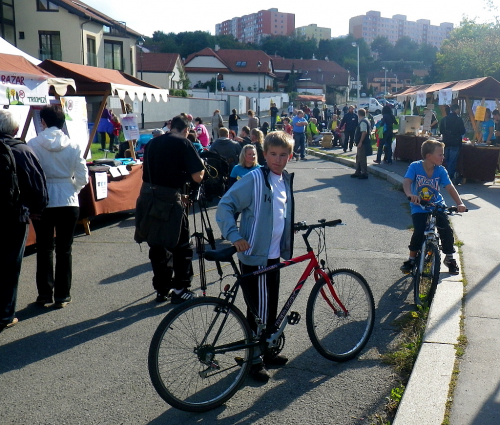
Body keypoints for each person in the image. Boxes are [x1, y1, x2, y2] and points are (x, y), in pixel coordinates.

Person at [216, 131, 295, 382]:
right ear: (264, 154)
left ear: (290, 156)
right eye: (273, 154)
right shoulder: (254, 179)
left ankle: (267, 349)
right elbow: (226, 204)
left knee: (268, 305)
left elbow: (278, 211)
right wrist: (234, 234)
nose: (278, 159)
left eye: (283, 155)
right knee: (259, 310)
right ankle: (254, 359)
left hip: (273, 256)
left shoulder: (284, 180)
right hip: (255, 255)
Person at [135, 115, 205, 304]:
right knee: (181, 245)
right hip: (169, 199)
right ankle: (180, 289)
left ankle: (161, 288)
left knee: (157, 245)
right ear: (186, 130)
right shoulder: (183, 143)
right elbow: (197, 176)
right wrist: (203, 169)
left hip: (148, 196)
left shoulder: (152, 143)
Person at [28, 105, 89, 308]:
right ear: (62, 123)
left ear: (43, 122)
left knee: (44, 248)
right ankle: (63, 295)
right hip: (67, 198)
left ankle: (45, 293)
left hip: (43, 199)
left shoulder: (33, 144)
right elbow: (82, 176)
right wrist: (73, 189)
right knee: (65, 249)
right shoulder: (73, 145)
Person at [0, 109, 48, 332]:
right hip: (14, 216)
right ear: (16, 129)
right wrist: (36, 209)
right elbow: (37, 185)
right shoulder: (22, 150)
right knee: (10, 265)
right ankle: (5, 314)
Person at [400, 139, 467, 275]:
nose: (443, 157)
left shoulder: (441, 170)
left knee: (446, 230)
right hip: (419, 206)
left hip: (437, 205)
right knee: (419, 230)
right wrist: (410, 194)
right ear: (429, 156)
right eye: (440, 154)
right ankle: (411, 259)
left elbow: (450, 187)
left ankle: (449, 258)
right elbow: (407, 182)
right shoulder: (415, 166)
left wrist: (459, 203)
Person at [439, 104, 466, 185]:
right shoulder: (459, 120)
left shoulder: (444, 119)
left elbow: (441, 131)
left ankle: (443, 176)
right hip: (455, 142)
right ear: (456, 110)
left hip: (446, 142)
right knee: (452, 161)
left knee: (446, 160)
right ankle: (448, 178)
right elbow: (462, 131)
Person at [350, 108, 371, 180]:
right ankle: (358, 172)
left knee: (362, 159)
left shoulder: (363, 122)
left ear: (358, 114)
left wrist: (360, 142)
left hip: (363, 143)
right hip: (363, 143)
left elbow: (364, 132)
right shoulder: (366, 120)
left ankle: (364, 173)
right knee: (358, 158)